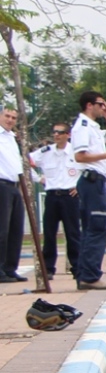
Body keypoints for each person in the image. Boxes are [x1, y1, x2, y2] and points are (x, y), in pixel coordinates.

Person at [70, 91, 106, 291]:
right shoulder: (82, 126)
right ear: (89, 105)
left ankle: (85, 275)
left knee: (92, 229)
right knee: (97, 228)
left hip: (96, 181)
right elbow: (80, 156)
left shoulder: (94, 127)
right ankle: (90, 276)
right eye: (101, 104)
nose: (104, 108)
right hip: (91, 181)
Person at [30, 123, 80, 280]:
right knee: (49, 233)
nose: (57, 135)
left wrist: (80, 186)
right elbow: (26, 162)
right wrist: (38, 178)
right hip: (52, 196)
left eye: (61, 132)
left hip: (70, 197)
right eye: (54, 132)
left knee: (73, 233)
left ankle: (77, 267)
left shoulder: (75, 151)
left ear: (68, 134)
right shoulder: (46, 152)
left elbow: (89, 168)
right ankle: (48, 269)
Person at [0, 108, 24, 283]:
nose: (10, 120)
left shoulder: (12, 138)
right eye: (7, 116)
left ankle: (10, 268)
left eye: (13, 118)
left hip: (15, 185)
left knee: (16, 229)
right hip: (1, 184)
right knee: (2, 230)